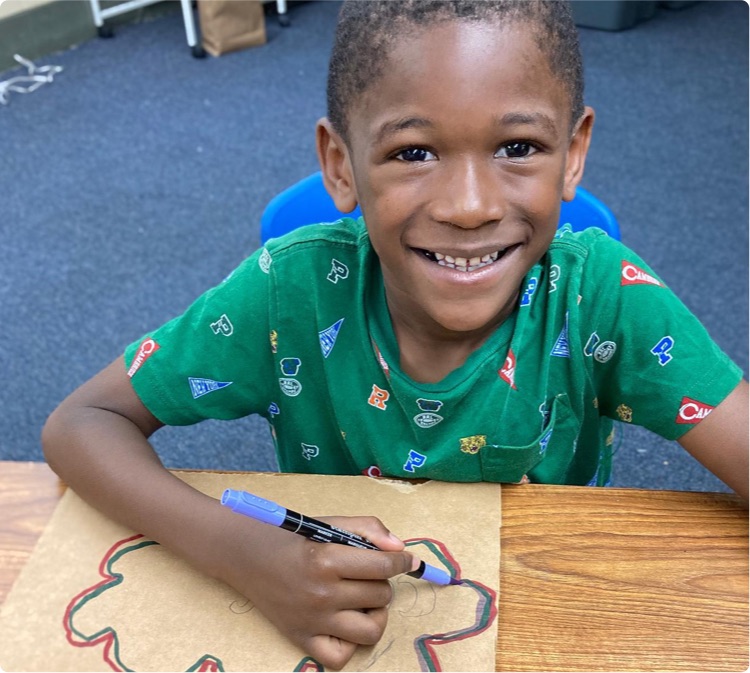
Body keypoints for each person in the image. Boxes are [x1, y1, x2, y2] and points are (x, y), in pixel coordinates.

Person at [42, 0, 748, 668]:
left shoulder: (604, 298)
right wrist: (242, 553)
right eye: (414, 153)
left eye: (519, 146)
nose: (469, 206)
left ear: (573, 153)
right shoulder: (289, 293)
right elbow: (81, 423)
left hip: (548, 620)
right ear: (341, 165)